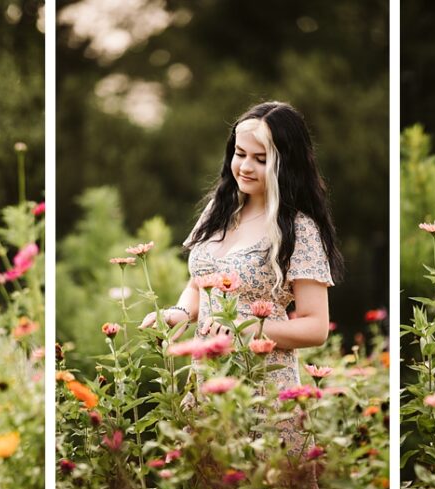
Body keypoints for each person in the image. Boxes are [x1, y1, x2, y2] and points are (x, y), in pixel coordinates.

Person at [139, 101, 344, 454]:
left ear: (285, 163)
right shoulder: (219, 210)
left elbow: (316, 327)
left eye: (260, 159)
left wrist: (250, 329)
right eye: (239, 153)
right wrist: (180, 312)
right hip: (205, 384)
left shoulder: (299, 228)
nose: (245, 167)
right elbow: (198, 282)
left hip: (262, 391)